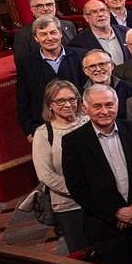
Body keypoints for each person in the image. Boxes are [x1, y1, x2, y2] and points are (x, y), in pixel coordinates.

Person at [61, 84, 132, 264]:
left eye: (109, 105)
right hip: (106, 228)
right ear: (85, 108)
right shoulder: (73, 142)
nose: (104, 111)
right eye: (97, 106)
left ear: (117, 105)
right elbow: (78, 188)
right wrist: (116, 212)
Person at [31, 80, 89, 253]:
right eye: (60, 101)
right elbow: (45, 174)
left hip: (101, 200)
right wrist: (80, 190)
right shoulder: (43, 133)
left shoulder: (89, 122)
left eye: (72, 99)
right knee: (84, 256)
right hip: (69, 205)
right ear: (50, 105)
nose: (68, 104)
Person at [17, 17, 85, 139]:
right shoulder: (25, 63)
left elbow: (88, 90)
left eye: (53, 32)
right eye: (43, 34)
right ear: (36, 38)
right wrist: (29, 130)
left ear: (60, 33)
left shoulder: (80, 56)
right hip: (45, 127)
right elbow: (23, 98)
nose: (49, 38)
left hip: (81, 121)